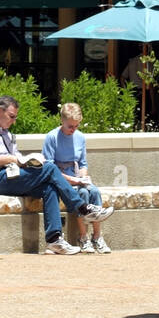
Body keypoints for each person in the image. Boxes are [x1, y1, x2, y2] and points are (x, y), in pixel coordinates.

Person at [0, 96, 112, 255]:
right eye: (12, 116)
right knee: (50, 168)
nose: (14, 121)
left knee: (49, 187)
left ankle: (54, 240)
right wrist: (12, 159)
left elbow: (16, 158)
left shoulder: (7, 134)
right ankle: (83, 207)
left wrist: (26, 161)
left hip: (14, 175)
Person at [42, 103, 111, 254]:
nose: (73, 130)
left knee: (94, 192)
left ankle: (97, 237)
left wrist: (83, 177)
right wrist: (74, 181)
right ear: (62, 121)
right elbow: (49, 169)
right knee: (83, 194)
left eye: (76, 126)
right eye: (70, 126)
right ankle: (83, 237)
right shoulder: (52, 137)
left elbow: (82, 163)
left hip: (76, 175)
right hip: (60, 179)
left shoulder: (80, 137)